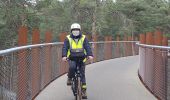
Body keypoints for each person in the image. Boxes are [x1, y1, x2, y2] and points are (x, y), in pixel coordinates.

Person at [62, 23, 93, 99]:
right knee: (72, 67)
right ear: (71, 31)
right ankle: (69, 78)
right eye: (74, 30)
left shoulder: (84, 38)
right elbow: (65, 48)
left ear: (79, 30)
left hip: (82, 58)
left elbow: (87, 47)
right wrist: (64, 56)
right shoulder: (68, 38)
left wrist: (90, 55)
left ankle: (83, 90)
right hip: (72, 58)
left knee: (82, 74)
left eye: (77, 30)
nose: (75, 32)